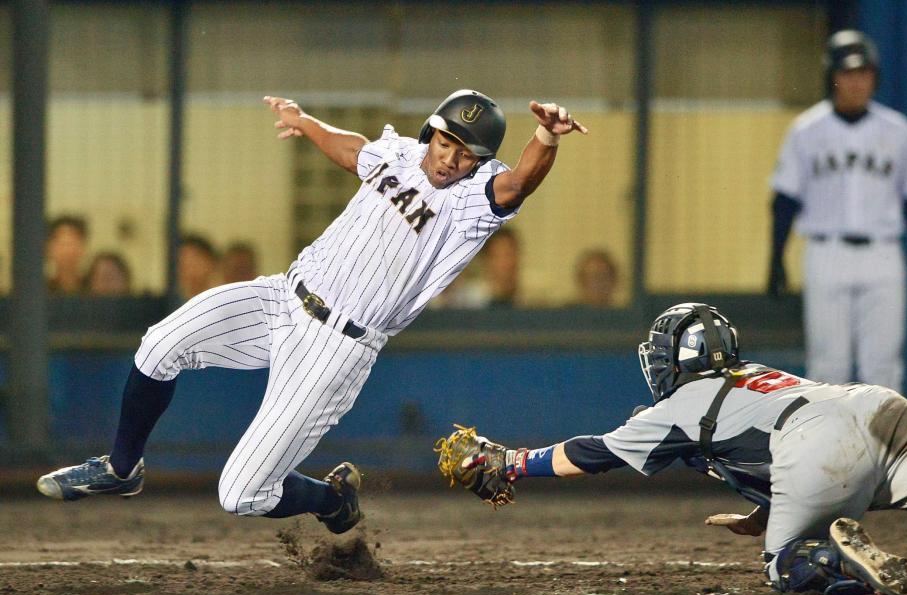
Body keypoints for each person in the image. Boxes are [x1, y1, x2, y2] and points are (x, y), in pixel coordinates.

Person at [37, 90, 588, 536]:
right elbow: (353, 152)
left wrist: (544, 136)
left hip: (338, 346)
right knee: (159, 344)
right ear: (431, 132)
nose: (452, 157)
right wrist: (304, 123)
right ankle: (120, 468)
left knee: (241, 494)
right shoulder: (398, 156)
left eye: (467, 153)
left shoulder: (470, 205)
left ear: (479, 161)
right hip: (283, 295)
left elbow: (520, 181)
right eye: (447, 141)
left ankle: (332, 498)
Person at [436, 302, 907, 595]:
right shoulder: (755, 376)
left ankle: (833, 560)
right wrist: (763, 510)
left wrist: (513, 464)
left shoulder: (682, 405)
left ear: (677, 362)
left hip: (818, 449)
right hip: (878, 409)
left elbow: (593, 454)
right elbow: (808, 436)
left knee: (784, 567)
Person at [767, 30, 907, 393]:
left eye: (864, 73)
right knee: (827, 364)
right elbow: (784, 201)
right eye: (848, 73)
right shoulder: (806, 130)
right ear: (832, 76)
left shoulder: (896, 130)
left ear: (874, 77)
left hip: (881, 253)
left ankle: (881, 449)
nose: (857, 82)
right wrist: (776, 257)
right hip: (825, 251)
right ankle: (828, 449)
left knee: (882, 367)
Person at [46, 215, 89, 294]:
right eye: (62, 244)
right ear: (49, 250)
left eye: (72, 244)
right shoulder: (40, 289)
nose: (67, 251)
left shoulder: (94, 287)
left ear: (83, 249)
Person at [177, 234, 220, 301]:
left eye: (193, 262)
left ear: (210, 262)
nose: (188, 270)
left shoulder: (223, 297)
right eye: (183, 263)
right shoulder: (172, 304)